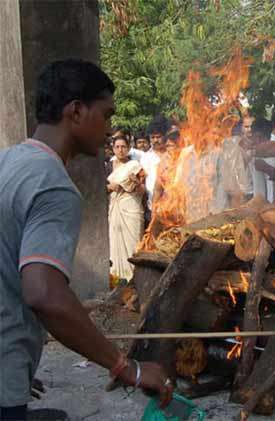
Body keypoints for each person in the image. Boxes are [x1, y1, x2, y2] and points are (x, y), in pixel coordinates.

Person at [0, 60, 172, 420]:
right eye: (106, 115)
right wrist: (129, 368)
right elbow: (44, 295)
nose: (110, 130)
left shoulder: (8, 162)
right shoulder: (54, 185)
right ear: (76, 110)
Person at [107, 136, 145, 281]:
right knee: (115, 246)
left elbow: (142, 191)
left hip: (132, 209)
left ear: (129, 148)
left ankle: (135, 281)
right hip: (115, 209)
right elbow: (100, 188)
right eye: (117, 147)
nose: (120, 150)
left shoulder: (135, 166)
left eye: (123, 146)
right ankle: (116, 280)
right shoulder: (108, 166)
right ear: (113, 148)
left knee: (133, 244)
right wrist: (109, 187)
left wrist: (137, 182)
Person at [141, 115, 169, 214]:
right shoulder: (145, 157)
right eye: (152, 137)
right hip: (152, 207)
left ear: (165, 136)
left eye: (158, 137)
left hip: (172, 204)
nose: (155, 140)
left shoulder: (172, 154)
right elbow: (143, 182)